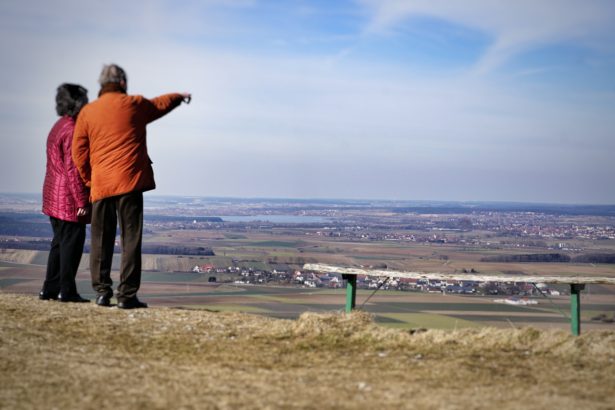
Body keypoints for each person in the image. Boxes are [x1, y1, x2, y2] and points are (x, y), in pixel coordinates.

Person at [72, 64, 191, 309]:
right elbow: (159, 104)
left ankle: (102, 292)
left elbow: (78, 152)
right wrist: (179, 97)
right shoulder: (134, 104)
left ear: (101, 84)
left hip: (102, 184)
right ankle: (126, 295)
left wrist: (89, 180)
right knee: (130, 240)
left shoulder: (88, 112)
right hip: (130, 182)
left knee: (101, 240)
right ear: (123, 83)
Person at [40, 84, 91, 303]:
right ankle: (66, 291)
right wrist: (81, 201)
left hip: (54, 193)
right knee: (71, 246)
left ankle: (49, 289)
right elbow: (74, 170)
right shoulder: (72, 130)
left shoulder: (59, 125)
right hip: (69, 198)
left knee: (59, 244)